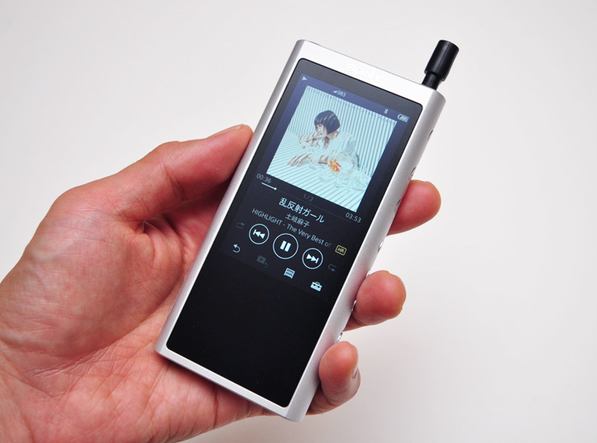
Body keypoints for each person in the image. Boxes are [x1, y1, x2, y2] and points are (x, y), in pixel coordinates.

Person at [0, 125, 441, 442]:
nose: (322, 136)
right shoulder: (306, 143)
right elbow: (296, 161)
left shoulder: (345, 158)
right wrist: (16, 378)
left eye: (328, 133)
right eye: (321, 131)